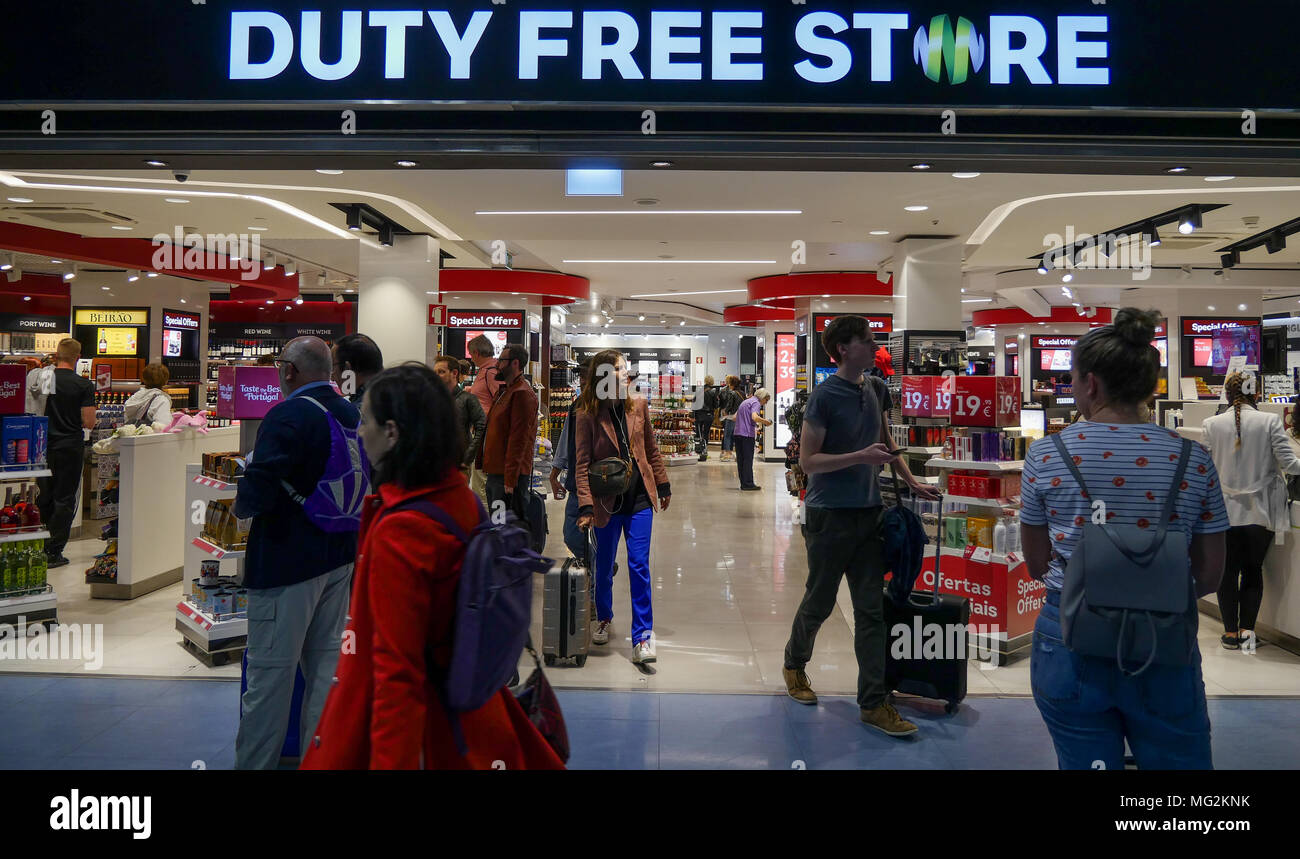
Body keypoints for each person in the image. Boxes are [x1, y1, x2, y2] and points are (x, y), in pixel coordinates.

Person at [299, 364, 563, 770]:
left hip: (428, 734)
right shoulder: (457, 497)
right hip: (476, 717)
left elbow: (397, 676)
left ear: (392, 432)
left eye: (366, 420)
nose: (358, 431)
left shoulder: (402, 530)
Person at [1020, 308, 1229, 770]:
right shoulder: (1193, 459)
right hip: (1165, 637)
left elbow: (1036, 565)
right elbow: (1211, 574)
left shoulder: (1047, 455)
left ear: (1090, 384)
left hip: (1071, 633)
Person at [783, 315, 940, 737]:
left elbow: (887, 443)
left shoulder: (875, 389)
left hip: (870, 514)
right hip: (829, 516)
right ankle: (794, 664)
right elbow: (808, 462)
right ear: (843, 350)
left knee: (871, 612)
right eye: (868, 341)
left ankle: (873, 703)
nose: (877, 347)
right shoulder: (822, 397)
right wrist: (859, 458)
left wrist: (911, 482)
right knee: (819, 601)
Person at [233, 336, 362, 770]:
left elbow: (256, 494)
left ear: (290, 370)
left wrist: (242, 492)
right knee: (325, 678)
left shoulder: (286, 416)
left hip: (286, 563)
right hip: (340, 556)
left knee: (270, 680)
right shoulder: (349, 412)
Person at [574, 350, 671, 665]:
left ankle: (643, 637)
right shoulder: (586, 413)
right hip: (606, 500)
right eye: (618, 368)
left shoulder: (638, 405)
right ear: (603, 375)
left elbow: (651, 450)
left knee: (639, 565)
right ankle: (603, 616)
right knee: (603, 565)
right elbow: (581, 464)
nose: (625, 372)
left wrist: (664, 484)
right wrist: (586, 506)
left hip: (640, 496)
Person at [1202, 371, 1300, 650]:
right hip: (1261, 512)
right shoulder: (1269, 421)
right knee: (1253, 571)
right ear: (1256, 393)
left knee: (1227, 573)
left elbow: (1205, 470)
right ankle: (1248, 632)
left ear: (1227, 393)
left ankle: (1230, 633)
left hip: (1223, 513)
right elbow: (1290, 465)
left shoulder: (1211, 424)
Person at [36, 338, 95, 569]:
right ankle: (54, 551)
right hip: (70, 446)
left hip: (43, 446)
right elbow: (89, 421)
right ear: (77, 357)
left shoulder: (45, 380)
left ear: (57, 355)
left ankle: (39, 545)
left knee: (44, 496)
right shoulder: (83, 385)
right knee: (65, 498)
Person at [480, 343, 538, 524]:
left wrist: (510, 480)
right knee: (499, 526)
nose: (497, 364)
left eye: (501, 360)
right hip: (497, 472)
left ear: (514, 363)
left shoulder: (521, 394)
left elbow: (518, 440)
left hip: (507, 476)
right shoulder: (505, 391)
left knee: (505, 527)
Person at [549, 359, 590, 561]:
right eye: (581, 376)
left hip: (603, 486)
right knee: (571, 535)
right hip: (577, 484)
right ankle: (598, 562)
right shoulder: (576, 406)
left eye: (587, 377)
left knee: (600, 538)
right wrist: (554, 474)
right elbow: (566, 440)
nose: (582, 381)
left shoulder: (613, 408)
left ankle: (599, 572)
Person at [433, 355, 486, 478]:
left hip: (458, 463)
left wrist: (469, 456)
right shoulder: (432, 399)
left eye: (441, 372)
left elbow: (481, 426)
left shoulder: (468, 399)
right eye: (435, 372)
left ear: (454, 373)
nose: (436, 376)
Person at [465, 335, 502, 498]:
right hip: (483, 432)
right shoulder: (487, 370)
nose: (471, 359)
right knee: (480, 481)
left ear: (476, 353)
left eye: (471, 355)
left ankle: (487, 521)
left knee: (481, 484)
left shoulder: (491, 371)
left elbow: (501, 401)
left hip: (486, 433)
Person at [733, 388, 773, 491]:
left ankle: (743, 483)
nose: (766, 403)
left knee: (741, 460)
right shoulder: (756, 403)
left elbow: (734, 417)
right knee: (748, 459)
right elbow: (754, 417)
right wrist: (765, 422)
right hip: (747, 434)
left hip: (737, 433)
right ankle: (749, 484)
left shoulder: (746, 401)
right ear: (762, 397)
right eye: (766, 400)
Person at [331, 333, 384, 405]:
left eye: (333, 366)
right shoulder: (394, 395)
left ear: (347, 369)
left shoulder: (362, 410)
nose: (332, 377)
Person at [693, 375, 719, 462]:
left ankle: (698, 451)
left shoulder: (699, 390)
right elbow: (716, 405)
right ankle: (704, 451)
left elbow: (694, 402)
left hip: (699, 414)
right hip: (708, 415)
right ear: (712, 382)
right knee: (706, 433)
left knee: (698, 433)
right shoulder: (713, 391)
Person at [718, 375, 743, 462]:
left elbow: (729, 405)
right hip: (740, 418)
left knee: (727, 435)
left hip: (731, 417)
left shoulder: (732, 393)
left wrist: (725, 411)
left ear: (732, 384)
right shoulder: (742, 393)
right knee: (737, 436)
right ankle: (738, 454)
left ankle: (728, 454)